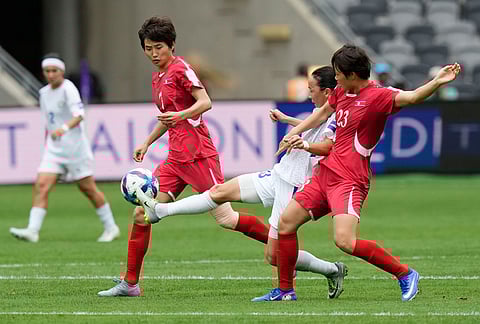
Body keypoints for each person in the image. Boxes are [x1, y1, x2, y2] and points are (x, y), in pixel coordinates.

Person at [251, 45, 461, 302]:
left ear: (352, 74)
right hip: (325, 174)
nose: (335, 78)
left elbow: (413, 97)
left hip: (350, 180)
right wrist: (294, 132)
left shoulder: (379, 96)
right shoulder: (341, 91)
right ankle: (285, 292)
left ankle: (405, 274)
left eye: (338, 73)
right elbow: (321, 114)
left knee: (345, 242)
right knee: (286, 223)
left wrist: (437, 81)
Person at [135, 66, 348, 299]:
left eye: (311, 89)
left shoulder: (339, 117)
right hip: (278, 175)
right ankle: (161, 210)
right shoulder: (323, 112)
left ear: (327, 93)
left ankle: (330, 270)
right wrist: (287, 119)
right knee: (219, 192)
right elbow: (315, 126)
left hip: (294, 184)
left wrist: (304, 145)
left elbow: (328, 145)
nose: (308, 94)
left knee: (274, 256)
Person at [98, 16, 273, 297]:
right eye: (148, 48)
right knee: (142, 213)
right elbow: (169, 118)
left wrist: (180, 115)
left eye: (159, 47)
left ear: (172, 45)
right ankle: (130, 284)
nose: (154, 54)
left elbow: (205, 102)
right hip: (175, 159)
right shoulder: (158, 76)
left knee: (227, 219)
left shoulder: (181, 69)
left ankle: (282, 242)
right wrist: (147, 141)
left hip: (199, 157)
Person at [9, 54, 120, 243]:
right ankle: (32, 230)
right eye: (47, 71)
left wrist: (64, 129)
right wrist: (52, 136)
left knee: (88, 189)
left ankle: (111, 227)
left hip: (75, 148)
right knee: (42, 185)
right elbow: (49, 120)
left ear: (61, 72)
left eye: (54, 71)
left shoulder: (69, 89)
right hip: (54, 149)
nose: (51, 75)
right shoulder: (44, 93)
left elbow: (79, 115)